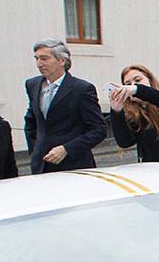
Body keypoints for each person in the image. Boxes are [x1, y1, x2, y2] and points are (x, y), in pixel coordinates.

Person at [22, 39, 106, 175]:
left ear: (61, 60)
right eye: (36, 59)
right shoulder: (33, 85)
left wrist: (67, 149)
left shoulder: (82, 89)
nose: (39, 64)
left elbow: (98, 130)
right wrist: (35, 150)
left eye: (44, 58)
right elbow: (31, 121)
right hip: (41, 166)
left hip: (74, 166)